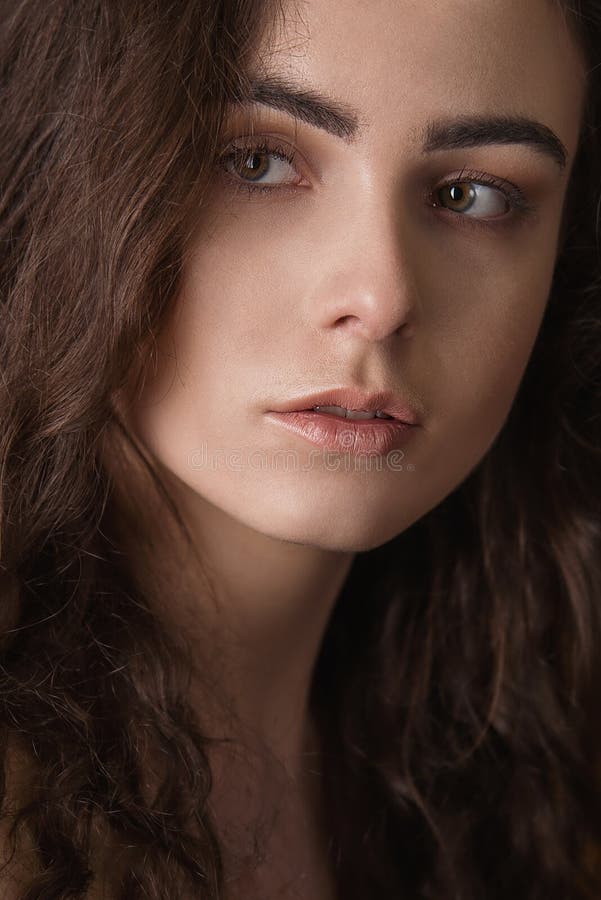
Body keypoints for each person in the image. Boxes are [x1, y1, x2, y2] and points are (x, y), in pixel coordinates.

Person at [1, 0, 600, 897]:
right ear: (62, 164)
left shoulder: (525, 781)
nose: (381, 293)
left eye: (471, 194)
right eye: (257, 162)